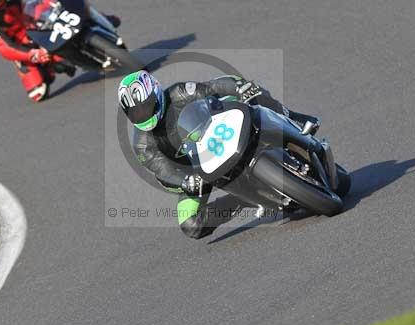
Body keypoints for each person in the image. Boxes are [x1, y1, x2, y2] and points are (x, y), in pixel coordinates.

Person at [117, 70, 320, 239]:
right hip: (195, 172)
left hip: (217, 134)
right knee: (191, 224)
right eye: (135, 112)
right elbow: (163, 171)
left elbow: (212, 88)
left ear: (156, 93)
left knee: (252, 95)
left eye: (146, 106)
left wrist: (239, 86)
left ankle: (293, 119)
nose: (143, 114)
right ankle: (242, 199)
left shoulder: (178, 93)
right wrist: (185, 181)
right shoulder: (143, 145)